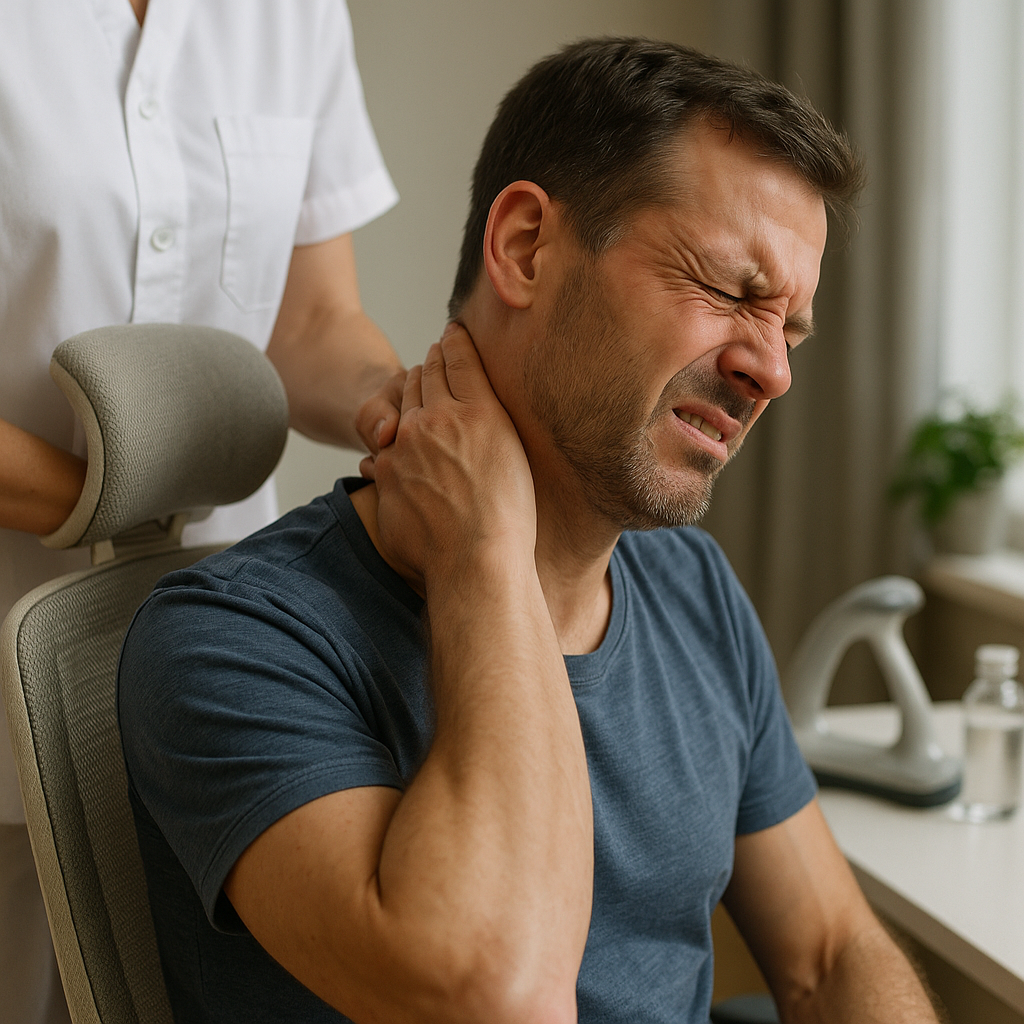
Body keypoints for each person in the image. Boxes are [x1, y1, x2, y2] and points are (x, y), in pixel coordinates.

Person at [118, 40, 941, 1024]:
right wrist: (485, 550)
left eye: (789, 327)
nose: (772, 372)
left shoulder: (691, 584)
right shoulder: (236, 642)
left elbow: (827, 951)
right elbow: (495, 996)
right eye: (728, 289)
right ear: (523, 248)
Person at [0, 2, 404, 1021]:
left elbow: (311, 319)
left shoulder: (294, 15)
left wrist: (410, 414)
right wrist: (113, 510)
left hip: (195, 670)